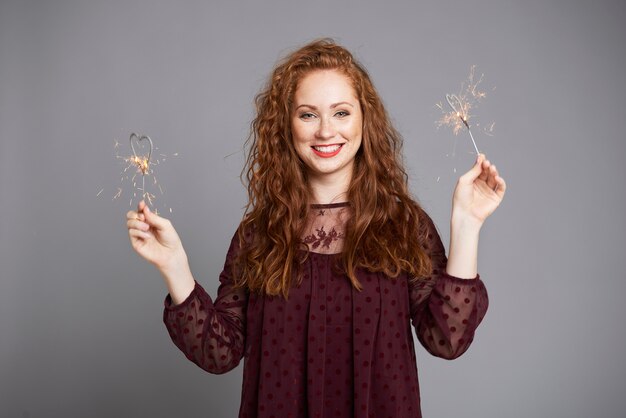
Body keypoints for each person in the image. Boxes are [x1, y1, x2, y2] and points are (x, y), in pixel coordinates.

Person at [126, 38, 506, 418]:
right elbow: (220, 353)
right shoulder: (259, 234)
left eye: (341, 113)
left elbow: (446, 339)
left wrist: (467, 224)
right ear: (286, 126)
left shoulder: (404, 225)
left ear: (364, 119)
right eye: (308, 115)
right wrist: (174, 267)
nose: (326, 131)